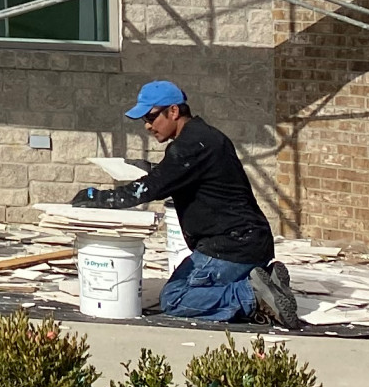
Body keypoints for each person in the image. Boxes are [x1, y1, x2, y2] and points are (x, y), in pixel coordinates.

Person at [73, 80, 299, 327]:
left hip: (232, 246)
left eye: (151, 117)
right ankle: (265, 281)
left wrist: (102, 198)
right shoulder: (205, 138)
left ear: (173, 111)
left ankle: (253, 296)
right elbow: (183, 175)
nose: (148, 126)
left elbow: (151, 188)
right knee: (182, 288)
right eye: (144, 121)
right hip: (246, 242)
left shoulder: (192, 145)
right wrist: (154, 169)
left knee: (174, 298)